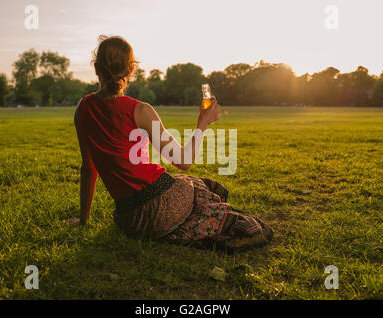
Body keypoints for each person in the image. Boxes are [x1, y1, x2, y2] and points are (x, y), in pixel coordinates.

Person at [71, 35, 273, 252]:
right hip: (160, 207)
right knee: (199, 187)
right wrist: (203, 122)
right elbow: (184, 161)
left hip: (130, 219)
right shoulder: (141, 110)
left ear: (96, 68)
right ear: (131, 70)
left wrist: (83, 221)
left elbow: (88, 168)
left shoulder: (83, 108)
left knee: (190, 184)